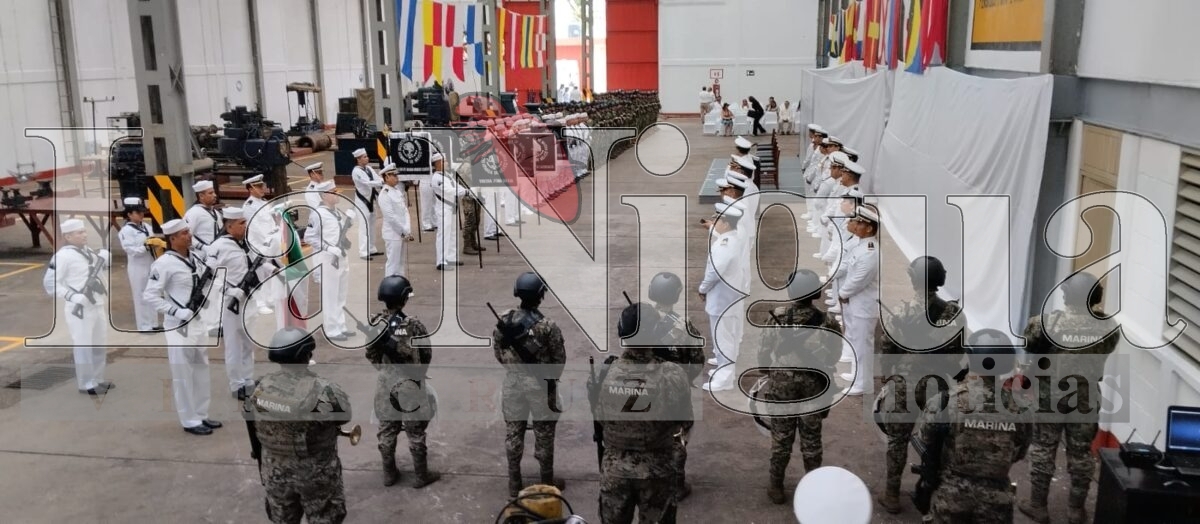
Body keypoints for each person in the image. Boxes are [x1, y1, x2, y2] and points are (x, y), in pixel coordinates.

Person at [1018, 273, 1119, 524]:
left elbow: (1029, 346)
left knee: (1043, 447)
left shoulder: (1045, 323)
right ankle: (1076, 510)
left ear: (1069, 296)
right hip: (1086, 395)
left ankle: (1038, 506)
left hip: (1050, 394)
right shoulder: (1108, 327)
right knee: (1082, 452)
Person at [875, 256, 966, 514]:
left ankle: (892, 493)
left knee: (897, 440)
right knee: (936, 440)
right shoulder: (954, 314)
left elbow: (887, 349)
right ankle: (930, 489)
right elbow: (958, 353)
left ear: (913, 279)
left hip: (904, 385)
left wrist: (887, 376)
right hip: (936, 387)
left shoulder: (901, 312)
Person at [914, 329, 1031, 523]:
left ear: (971, 358)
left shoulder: (944, 402)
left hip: (950, 500)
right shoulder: (1022, 409)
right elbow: (1019, 453)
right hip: (998, 504)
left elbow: (925, 439)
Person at [598, 302, 694, 523]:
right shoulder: (672, 375)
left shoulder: (606, 372)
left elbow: (601, 418)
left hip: (615, 469)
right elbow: (685, 421)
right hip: (657, 469)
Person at [246, 327, 353, 523]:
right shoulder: (323, 390)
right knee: (324, 516)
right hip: (315, 472)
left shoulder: (259, 387)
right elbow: (344, 416)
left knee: (283, 518)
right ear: (306, 355)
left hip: (274, 470)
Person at [760, 269, 843, 504]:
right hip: (814, 385)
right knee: (811, 438)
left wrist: (769, 372)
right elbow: (835, 354)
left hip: (781, 384)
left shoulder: (777, 315)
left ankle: (776, 485)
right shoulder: (827, 321)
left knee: (781, 437)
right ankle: (813, 486)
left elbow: (764, 351)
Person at [494, 272, 567, 497]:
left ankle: (514, 483)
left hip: (513, 384)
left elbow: (498, 353)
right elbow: (559, 360)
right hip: (541, 386)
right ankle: (547, 483)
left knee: (513, 433)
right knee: (544, 434)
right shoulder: (548, 326)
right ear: (540, 296)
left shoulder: (504, 320)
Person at [144, 219, 217, 434]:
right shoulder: (164, 263)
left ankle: (202, 414)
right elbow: (149, 295)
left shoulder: (194, 258)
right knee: (183, 373)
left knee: (201, 368)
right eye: (184, 233)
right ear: (172, 238)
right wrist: (176, 311)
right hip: (178, 326)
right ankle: (190, 420)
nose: (189, 235)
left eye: (189, 232)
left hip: (197, 321)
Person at [368, 276, 441, 488]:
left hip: (385, 383)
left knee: (386, 429)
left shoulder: (376, 323)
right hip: (410, 383)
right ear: (403, 298)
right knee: (415, 431)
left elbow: (370, 353)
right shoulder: (414, 325)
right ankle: (421, 475)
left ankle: (389, 473)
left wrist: (384, 371)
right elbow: (426, 353)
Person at [646, 272, 705, 500]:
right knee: (678, 438)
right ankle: (676, 485)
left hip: (646, 390)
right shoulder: (684, 325)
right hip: (674, 392)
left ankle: (650, 480)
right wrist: (683, 380)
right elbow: (697, 360)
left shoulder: (641, 322)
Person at [50, 218, 113, 395]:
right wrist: (72, 296)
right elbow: (50, 283)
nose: (84, 235)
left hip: (96, 303)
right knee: (84, 345)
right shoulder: (62, 257)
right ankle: (86, 383)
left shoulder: (88, 252)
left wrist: (104, 260)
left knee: (99, 343)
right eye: (79, 232)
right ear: (68, 236)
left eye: (84, 231)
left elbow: (99, 274)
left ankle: (98, 379)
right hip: (79, 308)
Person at [206, 207, 257, 400]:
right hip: (231, 302)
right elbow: (210, 276)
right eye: (241, 223)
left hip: (248, 300)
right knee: (234, 345)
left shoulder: (244, 244)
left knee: (248, 343)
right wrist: (228, 290)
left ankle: (248, 380)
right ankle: (237, 385)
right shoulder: (218, 247)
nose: (245, 226)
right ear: (229, 226)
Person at [699, 203, 745, 392]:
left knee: (723, 337)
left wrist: (703, 288)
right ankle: (723, 367)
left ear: (725, 224)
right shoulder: (731, 238)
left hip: (722, 297)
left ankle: (724, 379)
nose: (714, 222)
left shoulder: (726, 245)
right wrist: (711, 229)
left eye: (717, 220)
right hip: (729, 296)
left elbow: (715, 272)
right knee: (726, 336)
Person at [838, 204, 881, 396]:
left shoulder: (870, 251)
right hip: (856, 302)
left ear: (870, 227)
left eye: (859, 222)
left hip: (864, 305)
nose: (854, 225)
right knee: (856, 341)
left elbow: (859, 279)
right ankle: (857, 375)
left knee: (863, 345)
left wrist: (843, 293)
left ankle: (863, 383)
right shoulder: (861, 245)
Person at [312, 181, 355, 341]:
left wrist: (349, 222)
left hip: (341, 256)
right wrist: (328, 248)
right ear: (324, 195)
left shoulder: (335, 211)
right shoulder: (318, 214)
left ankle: (341, 325)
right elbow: (310, 237)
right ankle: (331, 329)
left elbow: (339, 232)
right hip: (328, 258)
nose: (337, 193)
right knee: (330, 295)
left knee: (340, 294)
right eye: (333, 191)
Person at [184, 179, 223, 335]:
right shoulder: (193, 213)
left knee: (217, 288)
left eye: (213, 192)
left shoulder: (214, 212)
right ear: (200, 196)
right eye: (210, 193)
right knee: (207, 290)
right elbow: (186, 235)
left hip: (215, 256)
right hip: (202, 258)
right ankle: (209, 325)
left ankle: (217, 322)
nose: (214, 195)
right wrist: (203, 247)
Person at [117, 197, 160, 332]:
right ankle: (144, 326)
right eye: (137, 212)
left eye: (142, 212)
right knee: (140, 295)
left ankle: (153, 323)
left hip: (150, 263)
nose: (141, 214)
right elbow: (130, 250)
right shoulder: (126, 231)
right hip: (137, 266)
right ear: (129, 214)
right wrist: (146, 247)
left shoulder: (146, 227)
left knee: (152, 293)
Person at [242, 174, 279, 316]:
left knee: (269, 273)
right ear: (250, 189)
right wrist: (268, 238)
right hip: (258, 245)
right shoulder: (249, 206)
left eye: (262, 185)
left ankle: (269, 298)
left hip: (269, 243)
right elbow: (255, 227)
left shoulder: (264, 202)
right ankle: (260, 303)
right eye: (258, 187)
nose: (262, 189)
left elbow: (270, 221)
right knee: (259, 274)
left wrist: (275, 234)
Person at [431, 151, 467, 270]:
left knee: (452, 233)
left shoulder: (447, 175)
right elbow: (450, 190)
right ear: (437, 163)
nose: (446, 163)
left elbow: (456, 186)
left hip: (452, 207)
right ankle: (441, 261)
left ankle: (451, 258)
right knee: (444, 234)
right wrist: (465, 192)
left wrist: (466, 190)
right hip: (443, 209)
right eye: (444, 161)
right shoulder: (437, 178)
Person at [377, 165, 414, 278]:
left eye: (396, 174)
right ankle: (389, 290)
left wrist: (407, 228)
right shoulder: (385, 194)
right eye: (393, 175)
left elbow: (404, 210)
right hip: (393, 233)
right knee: (393, 263)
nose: (396, 177)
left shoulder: (397, 191)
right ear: (386, 177)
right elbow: (390, 217)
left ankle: (400, 286)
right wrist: (402, 231)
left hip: (402, 231)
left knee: (400, 262)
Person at [350, 148, 383, 259]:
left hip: (371, 199)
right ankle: (363, 252)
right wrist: (382, 182)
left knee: (372, 225)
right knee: (364, 227)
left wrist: (381, 181)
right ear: (358, 159)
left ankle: (372, 248)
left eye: (367, 156)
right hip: (362, 202)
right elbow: (368, 183)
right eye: (364, 157)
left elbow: (377, 177)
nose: (367, 158)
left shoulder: (368, 168)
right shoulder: (356, 171)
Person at [457, 162, 486, 256]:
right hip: (468, 195)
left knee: (476, 220)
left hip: (477, 194)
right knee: (470, 219)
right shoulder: (466, 165)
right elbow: (472, 179)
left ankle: (473, 242)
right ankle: (467, 245)